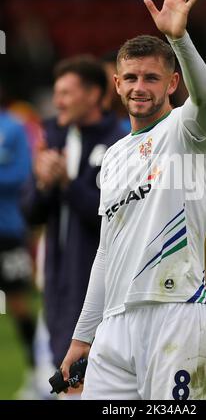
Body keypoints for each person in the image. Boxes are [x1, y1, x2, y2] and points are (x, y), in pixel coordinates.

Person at [61, 0, 206, 400]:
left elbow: (205, 98)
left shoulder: (187, 130)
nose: (139, 87)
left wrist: (180, 39)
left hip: (177, 312)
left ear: (172, 83)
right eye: (130, 78)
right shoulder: (112, 157)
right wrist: (82, 336)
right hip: (114, 324)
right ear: (116, 85)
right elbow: (106, 251)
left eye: (152, 78)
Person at [22, 55, 125, 375]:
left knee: (93, 374)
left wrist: (67, 183)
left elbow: (114, 218)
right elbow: (31, 214)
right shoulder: (53, 138)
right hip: (58, 276)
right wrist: (43, 184)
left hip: (103, 279)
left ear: (94, 94)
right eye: (57, 93)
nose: (57, 102)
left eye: (66, 93)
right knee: (65, 372)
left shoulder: (119, 143)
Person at [0, 103, 36, 397]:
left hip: (7, 229)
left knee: (17, 301)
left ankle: (36, 370)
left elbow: (23, 172)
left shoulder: (13, 126)